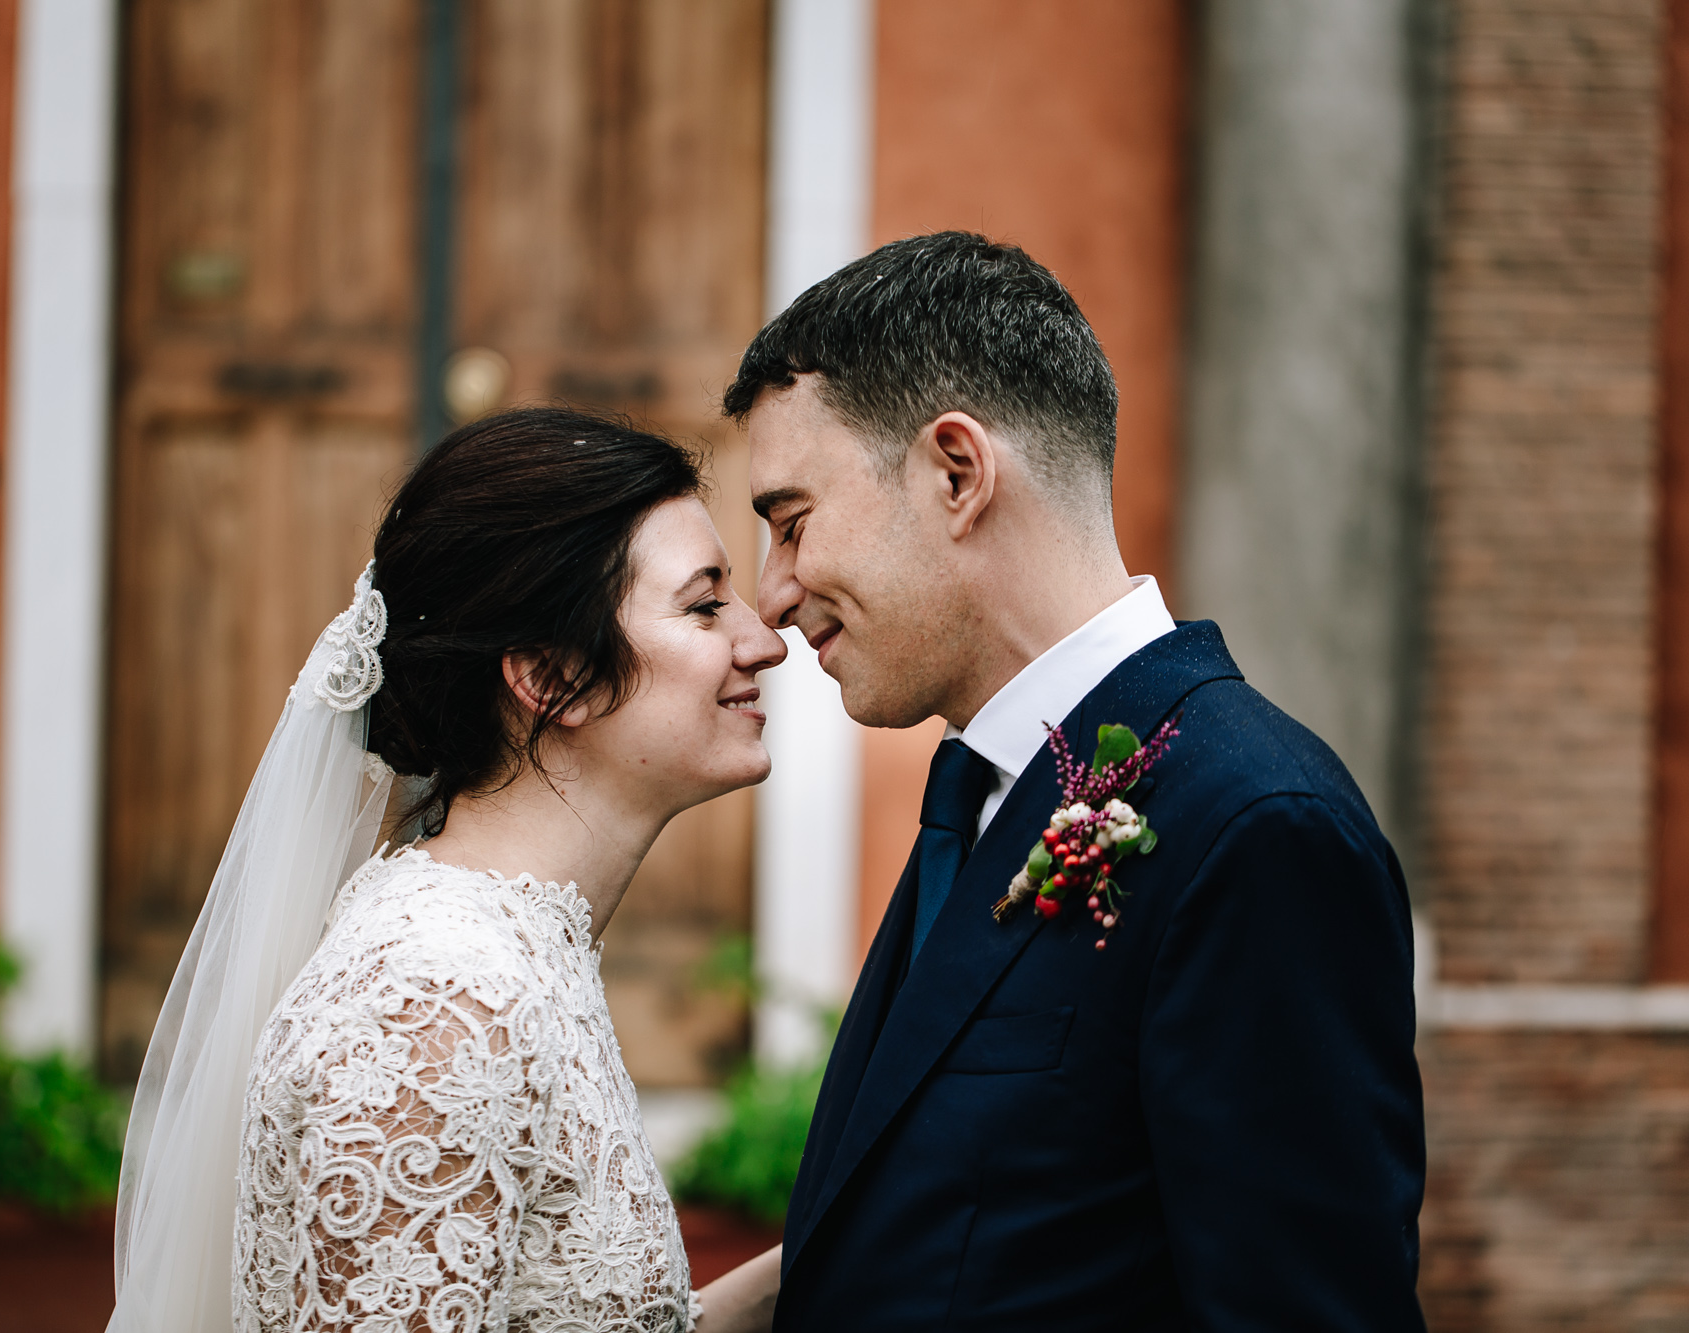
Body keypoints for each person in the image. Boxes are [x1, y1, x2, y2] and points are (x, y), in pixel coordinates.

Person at [726, 232, 1427, 1330]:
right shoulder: (987, 791)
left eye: (790, 523)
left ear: (955, 473)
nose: (771, 596)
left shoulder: (1252, 827)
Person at [108, 408, 785, 1332]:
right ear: (552, 678)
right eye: (705, 604)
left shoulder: (513, 953)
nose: (764, 639)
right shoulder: (434, 1003)